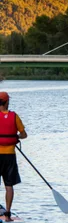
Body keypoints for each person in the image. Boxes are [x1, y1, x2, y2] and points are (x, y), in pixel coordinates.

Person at [0, 92, 27, 222]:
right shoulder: (14, 116)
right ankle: (7, 215)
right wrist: (15, 137)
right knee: (9, 185)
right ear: (7, 102)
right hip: (9, 156)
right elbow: (24, 134)